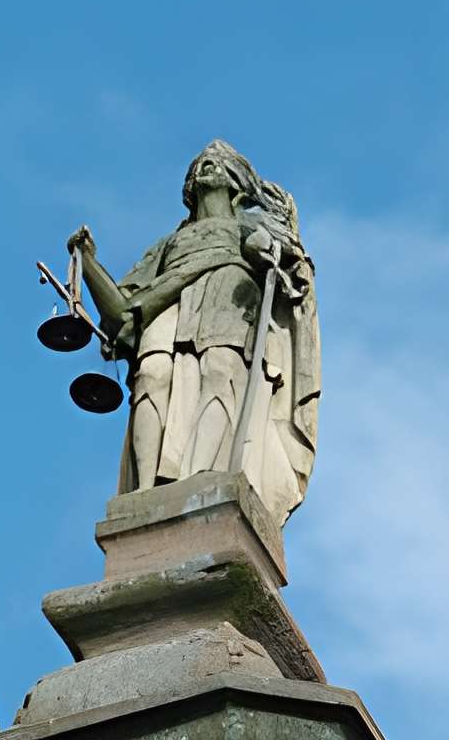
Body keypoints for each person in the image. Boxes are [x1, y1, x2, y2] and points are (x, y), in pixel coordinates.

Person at [67, 141, 319, 529]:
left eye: (217, 165)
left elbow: (294, 272)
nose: (205, 166)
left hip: (229, 293)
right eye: (201, 163)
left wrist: (276, 257)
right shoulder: (167, 245)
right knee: (151, 375)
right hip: (169, 300)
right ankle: (143, 494)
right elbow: (121, 311)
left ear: (237, 187)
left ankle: (202, 480)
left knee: (220, 370)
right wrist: (88, 262)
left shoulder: (250, 226)